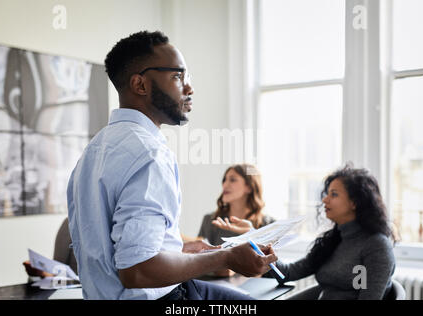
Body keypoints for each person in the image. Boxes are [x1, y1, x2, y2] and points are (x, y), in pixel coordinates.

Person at [66, 30, 277, 300]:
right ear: (140, 85)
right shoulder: (149, 153)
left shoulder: (92, 151)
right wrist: (225, 257)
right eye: (177, 76)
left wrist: (178, 251)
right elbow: (137, 271)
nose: (189, 88)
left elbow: (122, 251)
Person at [265, 164, 397, 300]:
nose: (325, 199)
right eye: (327, 193)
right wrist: (268, 257)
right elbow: (287, 274)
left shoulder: (376, 246)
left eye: (334, 194)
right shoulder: (334, 240)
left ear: (355, 202)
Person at [198, 164, 275, 246]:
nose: (225, 185)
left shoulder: (270, 225)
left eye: (232, 180)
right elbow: (200, 255)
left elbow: (272, 257)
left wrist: (252, 234)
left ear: (249, 187)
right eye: (224, 180)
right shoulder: (211, 220)